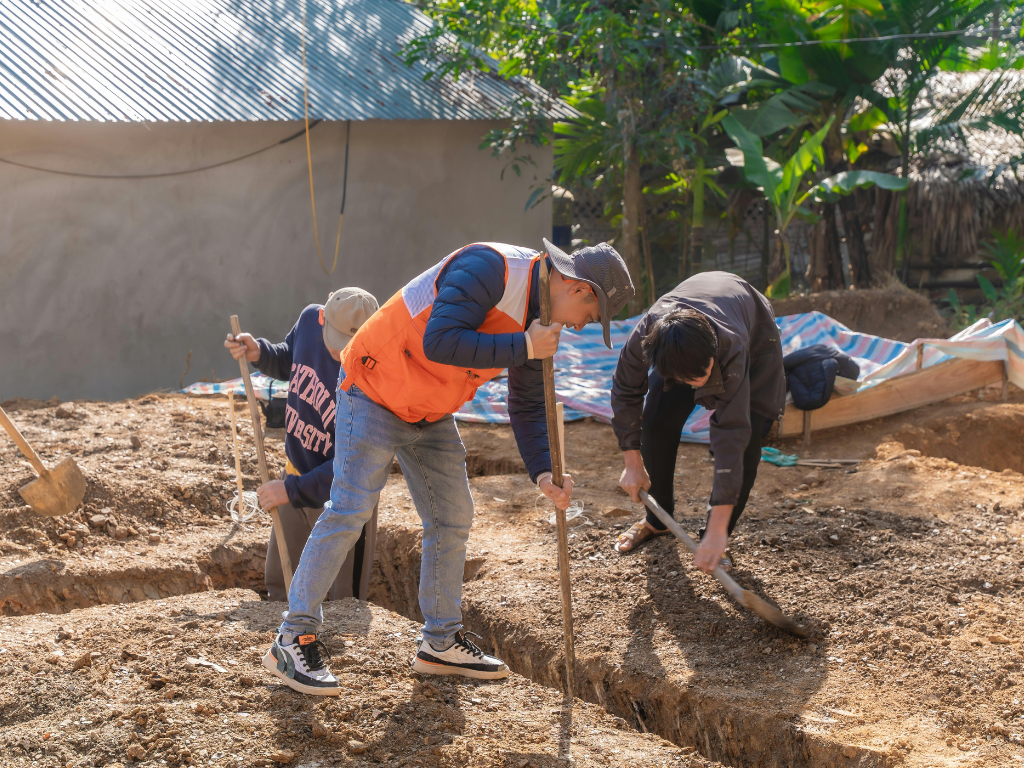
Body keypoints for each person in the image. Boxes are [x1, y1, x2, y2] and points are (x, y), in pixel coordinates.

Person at [262, 239, 634, 695]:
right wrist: (522, 345)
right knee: (349, 510)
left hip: (429, 409)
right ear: (580, 290)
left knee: (453, 517)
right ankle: (292, 638)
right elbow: (441, 340)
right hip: (374, 389)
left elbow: (528, 403)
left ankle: (439, 642)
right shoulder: (491, 268)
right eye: (590, 318)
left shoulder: (538, 318)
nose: (579, 326)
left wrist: (542, 472)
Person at [610, 271, 785, 574]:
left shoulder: (732, 347)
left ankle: (716, 537)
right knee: (656, 420)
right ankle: (658, 520)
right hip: (683, 335)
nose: (696, 384)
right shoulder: (646, 336)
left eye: (702, 374)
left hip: (753, 332)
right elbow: (625, 390)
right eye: (687, 380)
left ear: (714, 355)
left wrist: (718, 527)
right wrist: (632, 460)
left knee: (746, 443)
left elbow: (731, 434)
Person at [224, 288, 379, 600]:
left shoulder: (374, 378)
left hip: (343, 501)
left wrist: (290, 491)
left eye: (350, 346)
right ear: (322, 317)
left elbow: (353, 465)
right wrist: (260, 354)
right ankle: (279, 645)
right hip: (296, 474)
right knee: (282, 583)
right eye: (335, 343)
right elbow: (289, 358)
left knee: (340, 598)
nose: (341, 354)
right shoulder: (309, 321)